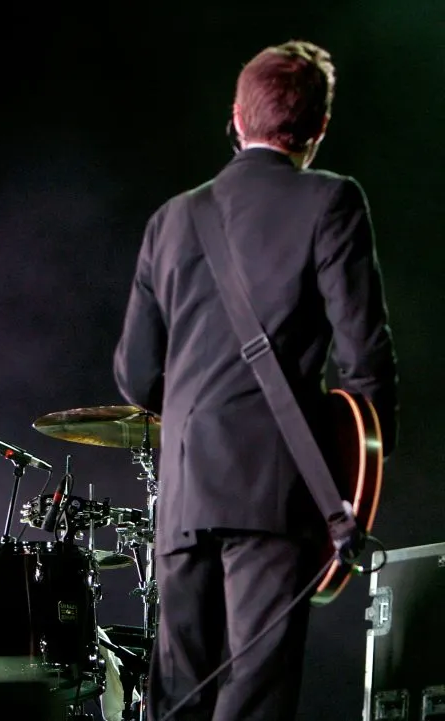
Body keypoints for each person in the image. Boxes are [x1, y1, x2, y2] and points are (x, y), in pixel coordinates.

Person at [112, 40, 399, 720]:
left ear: (237, 118)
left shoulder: (173, 218)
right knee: (256, 698)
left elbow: (134, 375)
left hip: (184, 493)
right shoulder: (332, 201)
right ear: (319, 127)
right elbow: (365, 359)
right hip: (276, 490)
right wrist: (358, 485)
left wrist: (195, 414)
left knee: (176, 698)